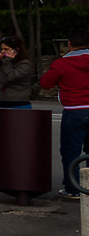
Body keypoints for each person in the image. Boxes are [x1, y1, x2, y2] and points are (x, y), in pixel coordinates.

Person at [41, 38, 89, 197]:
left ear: (69, 44)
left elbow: (46, 83)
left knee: (71, 151)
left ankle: (73, 188)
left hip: (74, 110)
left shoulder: (62, 63)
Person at [0, 38, 36, 108]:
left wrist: (8, 61)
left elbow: (11, 77)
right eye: (2, 49)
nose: (2, 52)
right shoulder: (2, 63)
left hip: (17, 104)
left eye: (6, 49)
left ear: (16, 50)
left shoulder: (24, 64)